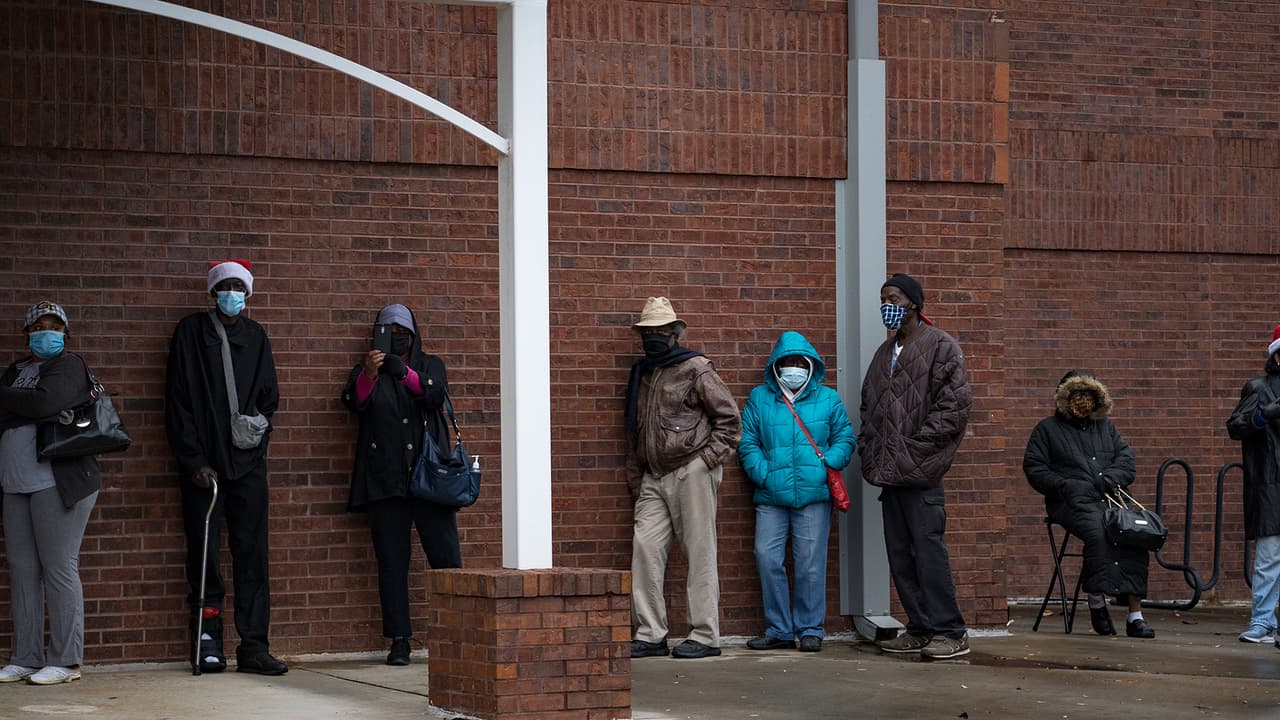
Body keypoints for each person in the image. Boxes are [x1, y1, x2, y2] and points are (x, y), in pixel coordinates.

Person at [165, 260, 287, 675]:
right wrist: (193, 460)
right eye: (225, 286)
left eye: (239, 286)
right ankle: (207, 641)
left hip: (248, 461)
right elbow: (178, 400)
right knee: (205, 556)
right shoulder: (191, 333)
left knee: (253, 553)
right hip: (205, 465)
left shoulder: (256, 336)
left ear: (248, 293)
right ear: (213, 291)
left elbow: (269, 398)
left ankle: (253, 645)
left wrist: (257, 439)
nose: (232, 293)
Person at [860, 273, 973, 660]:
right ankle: (921, 626)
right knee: (900, 554)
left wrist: (915, 448)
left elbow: (953, 408)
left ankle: (951, 630)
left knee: (928, 554)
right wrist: (870, 448)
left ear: (914, 303)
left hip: (921, 473)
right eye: (882, 298)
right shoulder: (883, 353)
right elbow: (869, 407)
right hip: (889, 473)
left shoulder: (941, 346)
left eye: (893, 297)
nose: (886, 305)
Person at [340, 304, 460, 666]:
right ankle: (399, 640)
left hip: (429, 480)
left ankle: (456, 635)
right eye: (386, 330)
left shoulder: (428, 364)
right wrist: (371, 374)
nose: (394, 336)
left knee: (447, 562)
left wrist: (404, 372)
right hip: (385, 481)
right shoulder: (367, 369)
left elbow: (434, 395)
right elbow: (353, 403)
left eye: (401, 331)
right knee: (392, 563)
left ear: (412, 335)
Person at [624, 297, 741, 660]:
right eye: (648, 331)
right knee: (645, 550)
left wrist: (705, 461)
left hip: (691, 468)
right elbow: (635, 429)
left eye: (660, 330)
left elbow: (730, 421)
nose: (654, 337)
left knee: (700, 550)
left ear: (675, 333)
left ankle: (705, 635)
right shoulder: (642, 372)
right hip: (653, 475)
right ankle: (650, 633)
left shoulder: (695, 368)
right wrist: (638, 477)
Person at [0, 302, 100, 685]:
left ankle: (66, 660)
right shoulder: (17, 370)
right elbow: (30, 407)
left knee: (59, 567)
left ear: (66, 333)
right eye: (39, 326)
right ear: (26, 333)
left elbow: (46, 402)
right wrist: (28, 406)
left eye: (55, 326)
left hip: (58, 481)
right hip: (15, 482)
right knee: (23, 571)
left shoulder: (69, 365)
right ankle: (26, 655)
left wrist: (16, 403)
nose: (47, 332)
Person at [739, 331, 855, 653]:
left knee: (810, 564)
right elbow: (747, 442)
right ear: (776, 366)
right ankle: (778, 629)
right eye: (786, 362)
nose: (793, 368)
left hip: (813, 497)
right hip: (771, 498)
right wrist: (764, 475)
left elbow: (845, 438)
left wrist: (826, 465)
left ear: (810, 365)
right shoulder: (760, 398)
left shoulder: (828, 399)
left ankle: (810, 630)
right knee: (767, 557)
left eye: (799, 362)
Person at [1024, 370, 1155, 639]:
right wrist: (1066, 486)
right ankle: (1097, 603)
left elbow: (1126, 460)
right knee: (1100, 532)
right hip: (1070, 502)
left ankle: (1135, 616)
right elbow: (1035, 469)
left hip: (1109, 498)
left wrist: (1109, 479)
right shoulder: (1047, 429)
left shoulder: (1106, 426)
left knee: (1135, 534)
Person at [1226, 325, 1280, 644]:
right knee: (1270, 556)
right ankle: (1262, 620)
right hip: (1269, 484)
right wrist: (1262, 416)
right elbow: (1236, 426)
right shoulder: (1258, 388)